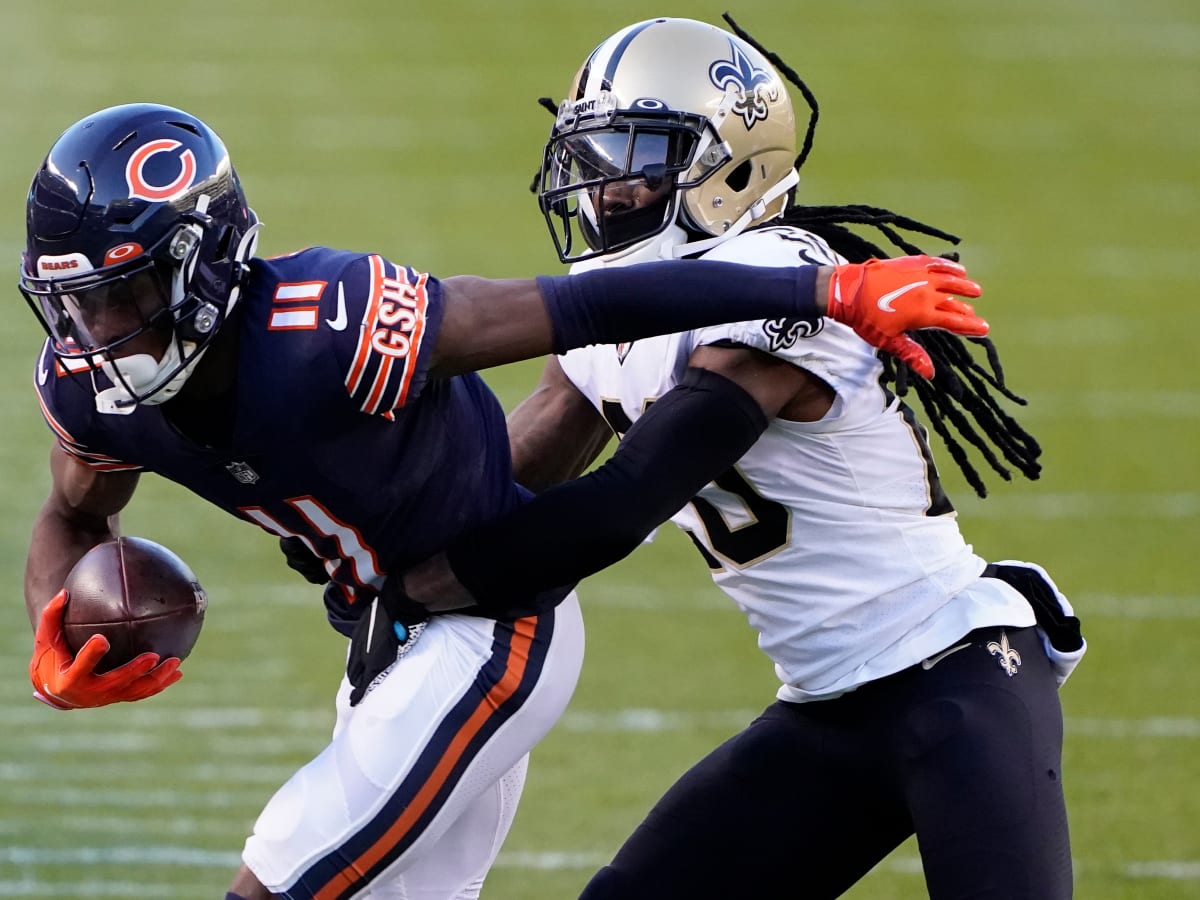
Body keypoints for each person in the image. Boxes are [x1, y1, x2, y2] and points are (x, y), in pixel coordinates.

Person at [17, 104, 986, 899]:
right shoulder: (87, 384)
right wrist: (50, 633)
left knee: (283, 873)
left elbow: (585, 308)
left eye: (123, 296)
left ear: (202, 264)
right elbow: (75, 515)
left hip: (495, 620)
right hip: (384, 637)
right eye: (74, 304)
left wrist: (830, 287)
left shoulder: (332, 322)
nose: (95, 333)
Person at [379, 17, 1087, 899]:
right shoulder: (609, 308)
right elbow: (497, 487)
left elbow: (623, 502)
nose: (604, 185)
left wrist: (411, 587)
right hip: (827, 707)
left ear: (734, 168)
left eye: (635, 154)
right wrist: (360, 533)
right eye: (593, 154)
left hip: (958, 678)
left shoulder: (781, 279)